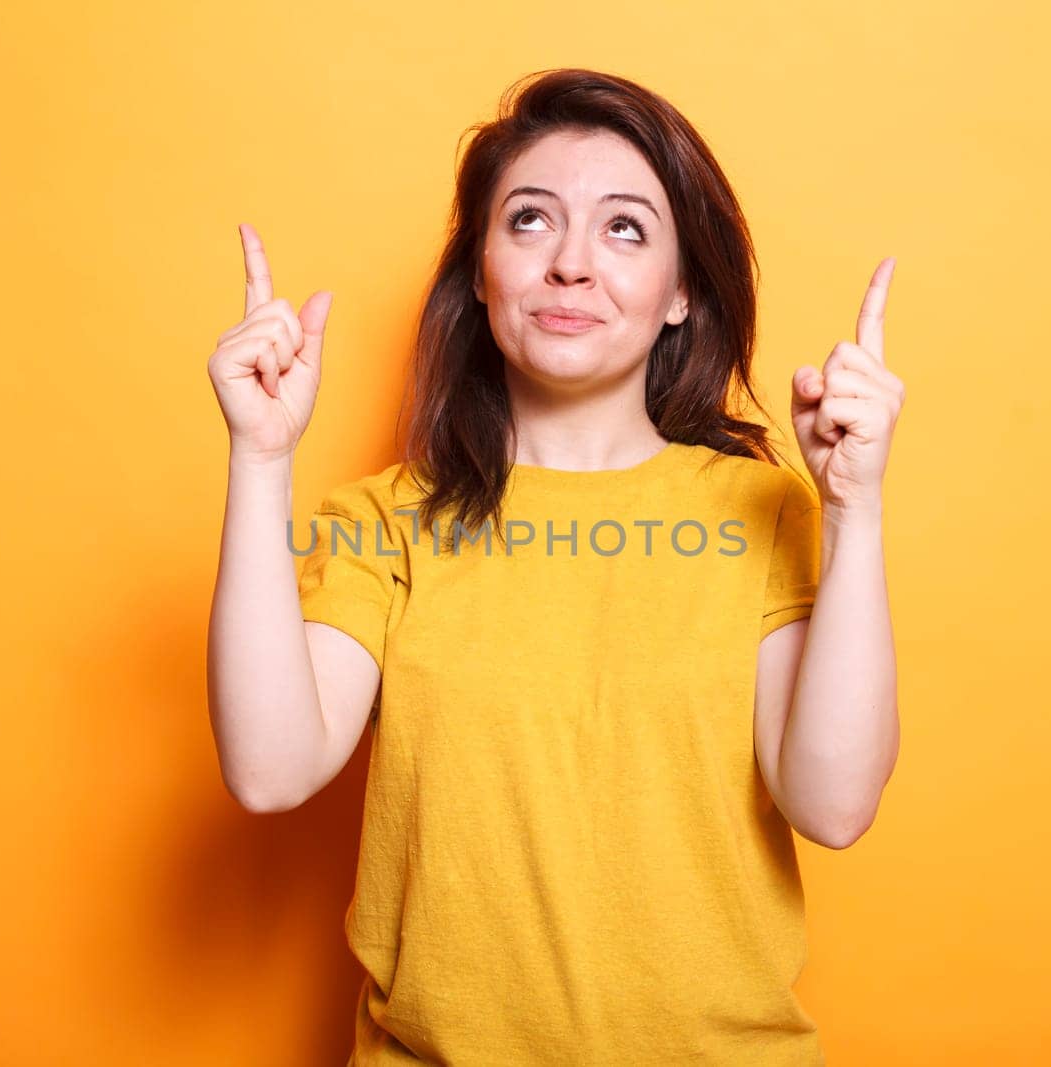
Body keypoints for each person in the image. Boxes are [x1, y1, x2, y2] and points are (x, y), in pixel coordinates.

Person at [206, 67, 903, 1066]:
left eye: (624, 228)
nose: (571, 263)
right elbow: (270, 770)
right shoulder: (385, 521)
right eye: (530, 221)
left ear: (680, 295)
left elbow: (833, 805)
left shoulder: (764, 509)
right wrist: (260, 456)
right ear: (481, 272)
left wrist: (855, 508)